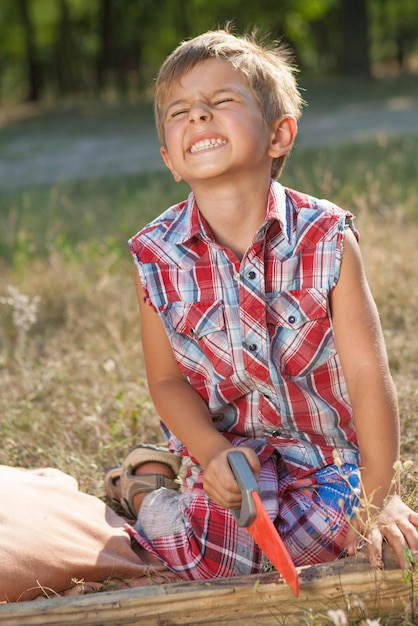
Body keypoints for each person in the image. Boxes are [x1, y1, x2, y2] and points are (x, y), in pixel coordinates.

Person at [105, 27, 418, 581]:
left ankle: (332, 517)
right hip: (233, 464)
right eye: (180, 111)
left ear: (279, 135)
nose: (198, 116)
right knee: (210, 557)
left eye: (222, 101)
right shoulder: (154, 256)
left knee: (365, 542)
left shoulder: (324, 238)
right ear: (169, 160)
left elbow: (369, 372)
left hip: (326, 463)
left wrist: (380, 499)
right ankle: (147, 488)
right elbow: (167, 383)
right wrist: (209, 452)